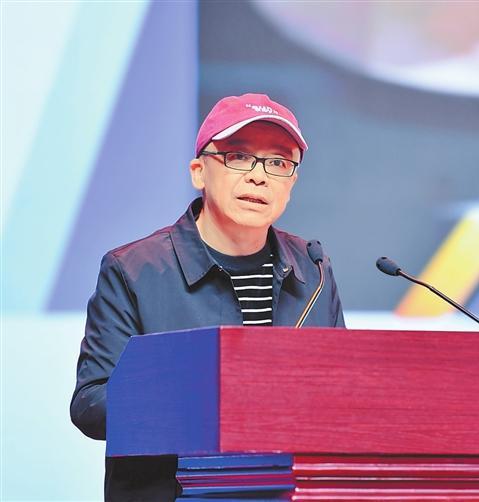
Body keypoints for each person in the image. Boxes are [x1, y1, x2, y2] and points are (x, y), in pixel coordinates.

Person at [70, 94, 345, 501]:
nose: (259, 177)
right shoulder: (134, 270)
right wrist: (211, 398)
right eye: (239, 156)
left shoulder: (313, 270)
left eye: (278, 163)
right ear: (199, 172)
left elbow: (341, 396)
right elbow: (91, 407)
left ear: (291, 183)